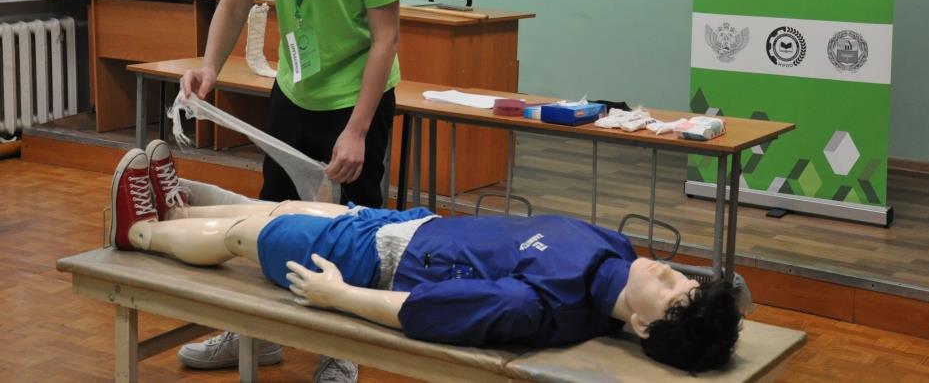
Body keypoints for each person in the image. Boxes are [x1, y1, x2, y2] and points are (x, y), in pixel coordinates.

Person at [110, 147, 743, 375]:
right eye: (687, 280)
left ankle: (140, 231)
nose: (672, 276)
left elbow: (421, 309)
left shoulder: (544, 308)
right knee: (281, 208)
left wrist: (340, 298)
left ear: (642, 326)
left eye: (675, 296)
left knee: (245, 236)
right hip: (413, 226)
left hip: (371, 262)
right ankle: (174, 209)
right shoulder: (618, 252)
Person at [178, 0, 410, 380]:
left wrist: (357, 130)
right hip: (295, 87)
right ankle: (258, 335)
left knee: (351, 224)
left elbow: (386, 39)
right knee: (273, 215)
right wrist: (209, 65)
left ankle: (342, 348)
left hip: (357, 95)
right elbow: (235, 0)